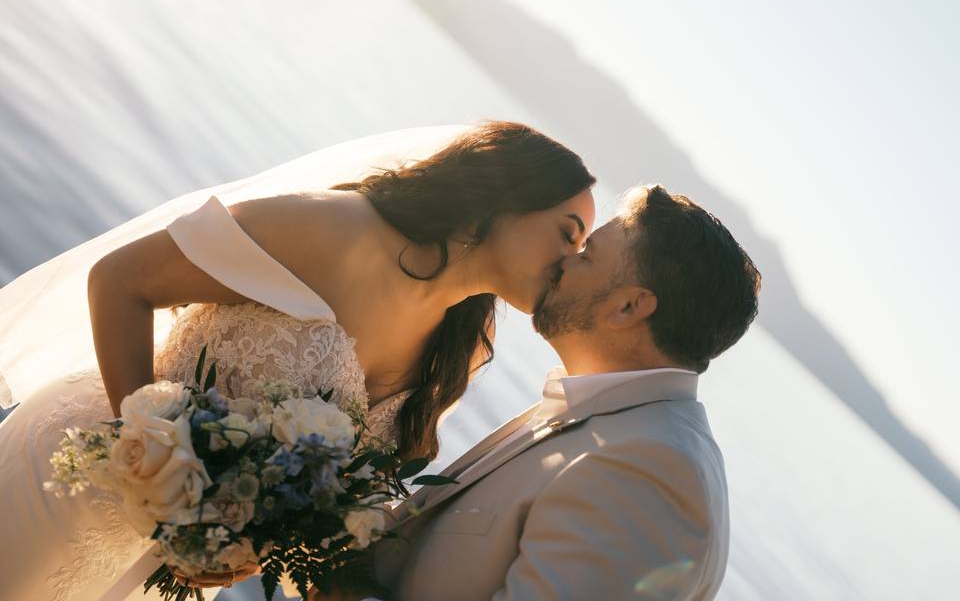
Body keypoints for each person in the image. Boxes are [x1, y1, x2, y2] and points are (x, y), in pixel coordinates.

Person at [0, 121, 597, 600]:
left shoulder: (462, 344)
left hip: (175, 568)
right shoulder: (335, 230)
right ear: (507, 199)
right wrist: (147, 452)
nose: (571, 260)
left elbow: (343, 487)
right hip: (80, 482)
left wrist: (251, 543)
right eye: (567, 233)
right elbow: (119, 280)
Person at [328, 184, 761, 601]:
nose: (563, 262)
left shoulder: (652, 475)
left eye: (588, 256)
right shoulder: (611, 420)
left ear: (629, 307)